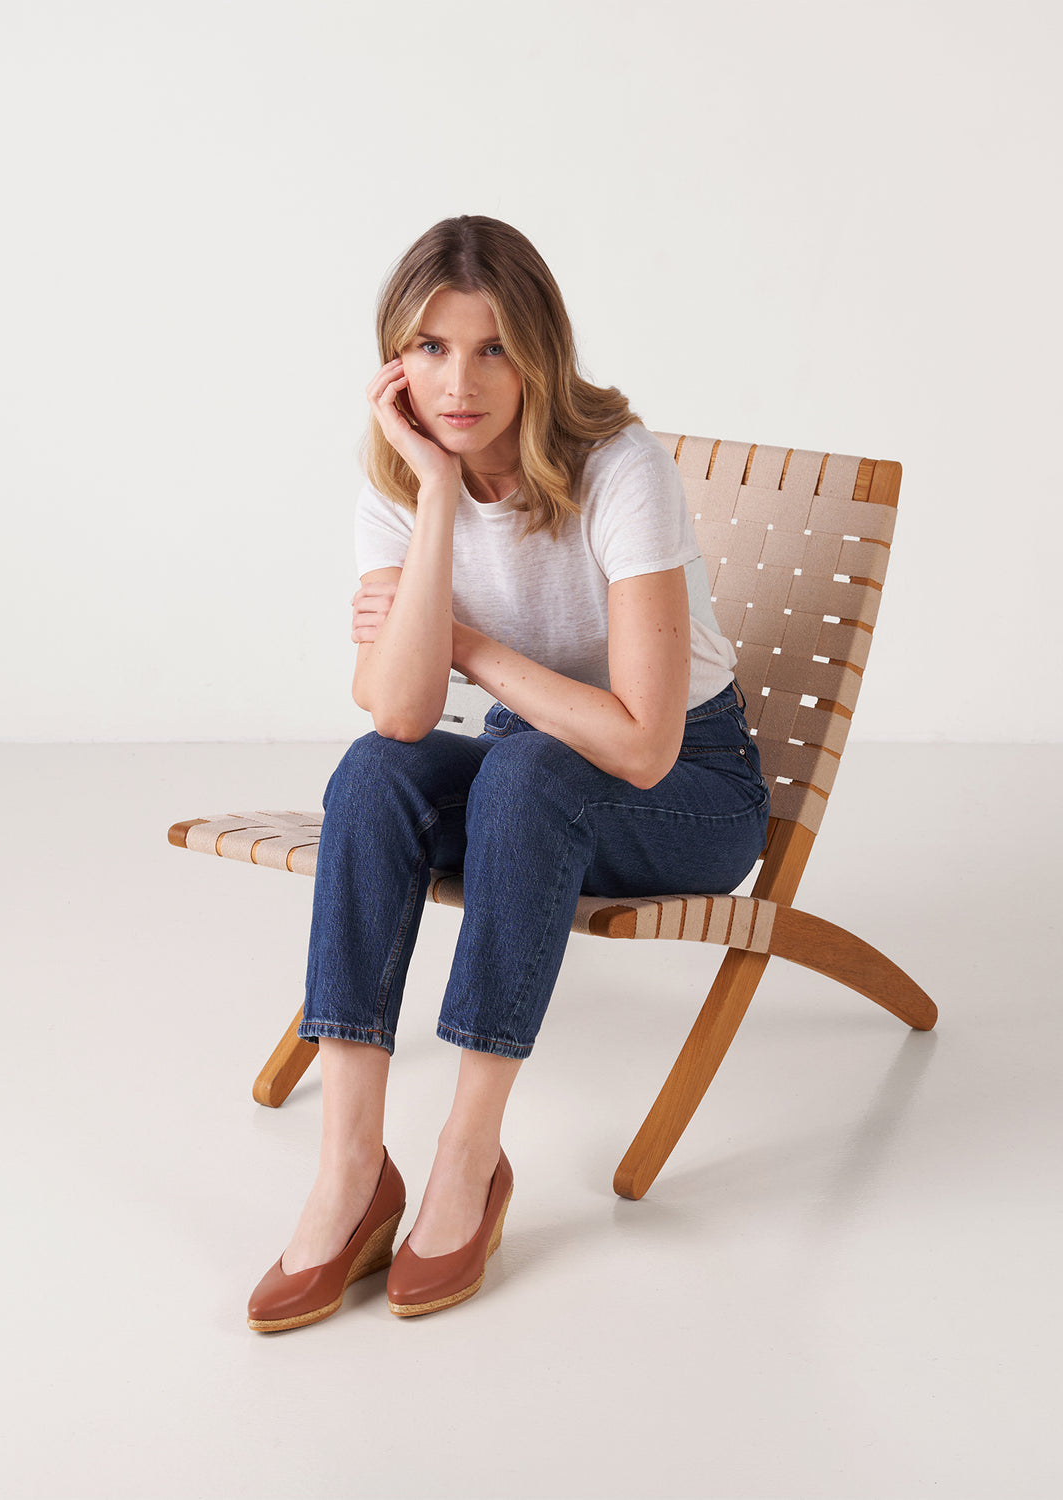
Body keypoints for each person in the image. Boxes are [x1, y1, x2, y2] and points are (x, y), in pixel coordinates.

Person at [247, 215, 769, 1331]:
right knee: (373, 777)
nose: (460, 382)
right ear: (395, 356)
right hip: (520, 775)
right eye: (431, 348)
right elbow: (397, 714)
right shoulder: (397, 484)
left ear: (540, 353)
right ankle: (350, 1170)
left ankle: (467, 1157)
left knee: (527, 775)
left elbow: (640, 744)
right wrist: (437, 499)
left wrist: (468, 645)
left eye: (491, 349)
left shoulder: (620, 470)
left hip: (692, 792)